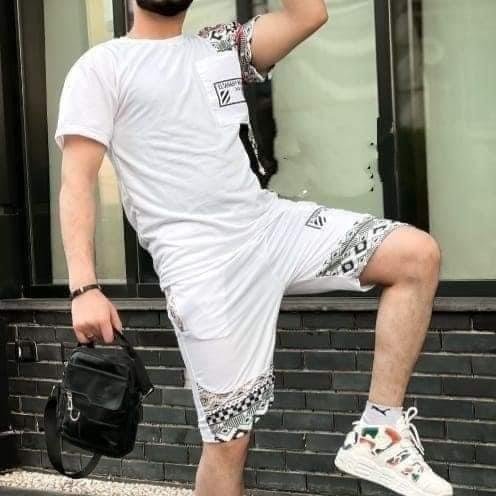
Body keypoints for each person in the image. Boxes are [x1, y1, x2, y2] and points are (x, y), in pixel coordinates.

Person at [57, 1, 453, 495]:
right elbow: (77, 182)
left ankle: (380, 431)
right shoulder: (101, 67)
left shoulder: (223, 46)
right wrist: (84, 288)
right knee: (229, 445)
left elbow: (308, 15)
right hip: (202, 267)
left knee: (415, 255)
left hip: (269, 227)